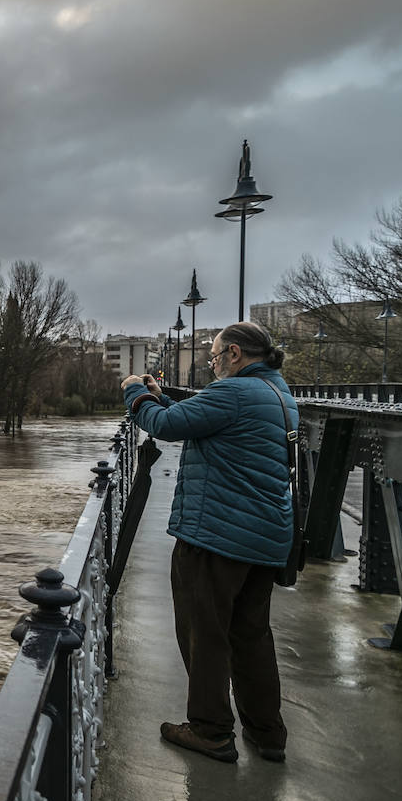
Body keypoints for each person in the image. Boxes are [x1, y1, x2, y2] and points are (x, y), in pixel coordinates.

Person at [120, 321, 295, 764]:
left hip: (217, 536)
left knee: (204, 635)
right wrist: (163, 395)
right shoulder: (278, 394)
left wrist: (134, 393)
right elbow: (202, 414)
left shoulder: (235, 393)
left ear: (234, 354)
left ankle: (210, 730)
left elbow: (163, 424)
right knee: (252, 636)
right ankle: (267, 733)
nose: (212, 365)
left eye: (215, 357)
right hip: (263, 539)